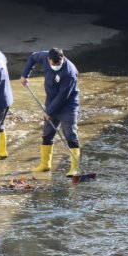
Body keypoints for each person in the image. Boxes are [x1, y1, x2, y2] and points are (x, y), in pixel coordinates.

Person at [20, 47, 81, 177]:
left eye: (59, 64)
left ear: (62, 58)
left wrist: (49, 112)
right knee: (47, 134)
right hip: (51, 102)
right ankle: (45, 165)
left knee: (70, 135)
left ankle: (75, 168)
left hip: (68, 106)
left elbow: (63, 96)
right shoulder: (44, 56)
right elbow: (32, 57)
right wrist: (25, 75)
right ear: (49, 60)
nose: (57, 66)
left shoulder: (70, 72)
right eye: (54, 64)